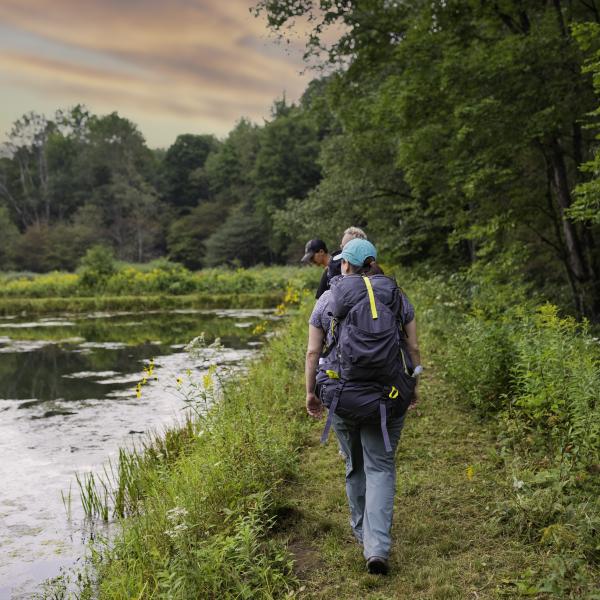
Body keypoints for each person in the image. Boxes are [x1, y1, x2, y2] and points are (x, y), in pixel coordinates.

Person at [304, 238, 421, 575]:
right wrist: (414, 387)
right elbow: (412, 347)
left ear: (345, 265)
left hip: (343, 396)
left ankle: (360, 532)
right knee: (381, 467)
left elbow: (313, 353)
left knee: (355, 463)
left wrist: (311, 392)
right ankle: (377, 547)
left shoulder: (329, 298)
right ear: (373, 262)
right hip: (388, 396)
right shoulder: (396, 295)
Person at [301, 227, 368, 299]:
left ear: (321, 252)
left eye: (312, 257)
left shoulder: (334, 267)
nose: (311, 261)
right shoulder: (371, 267)